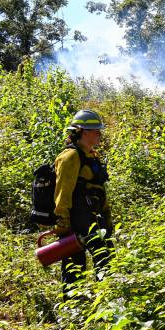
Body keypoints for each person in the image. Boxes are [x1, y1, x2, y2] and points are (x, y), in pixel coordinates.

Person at [53, 109, 113, 294]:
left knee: (106, 261)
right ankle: (73, 311)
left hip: (94, 219)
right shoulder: (70, 157)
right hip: (76, 221)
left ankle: (105, 304)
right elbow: (62, 192)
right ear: (83, 132)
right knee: (74, 269)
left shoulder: (92, 156)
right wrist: (63, 224)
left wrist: (107, 216)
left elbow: (98, 189)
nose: (99, 134)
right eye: (96, 131)